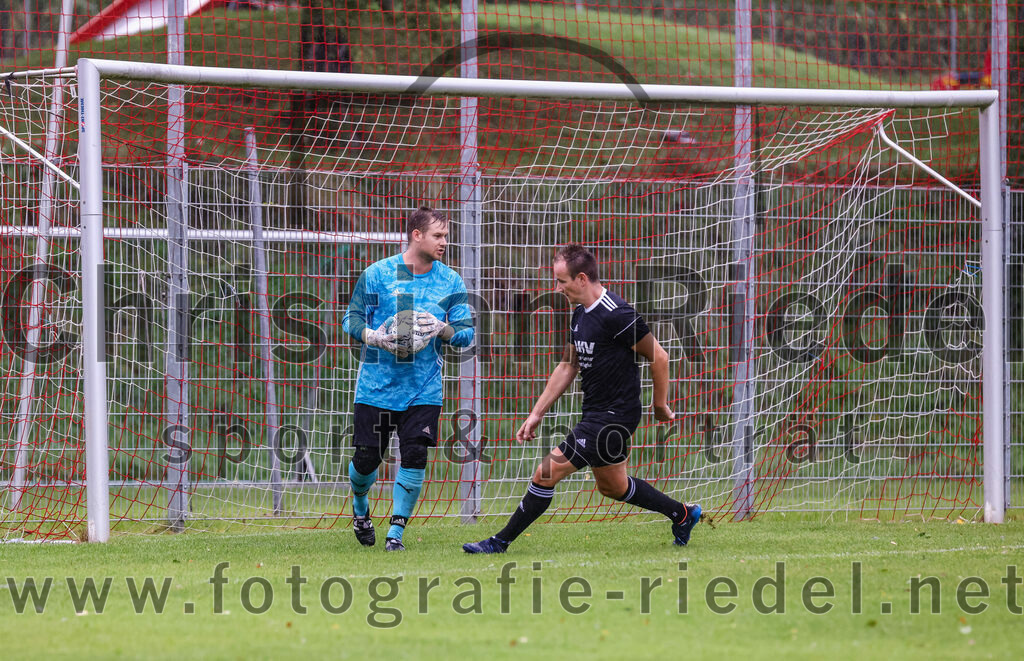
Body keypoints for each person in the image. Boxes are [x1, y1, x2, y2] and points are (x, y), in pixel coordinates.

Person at [463, 243, 701, 554]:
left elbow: (659, 356)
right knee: (613, 487)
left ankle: (499, 542)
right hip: (596, 413)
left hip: (615, 415)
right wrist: (537, 412)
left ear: (582, 279)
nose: (557, 288)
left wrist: (660, 404)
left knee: (546, 472)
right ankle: (682, 514)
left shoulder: (618, 315)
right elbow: (568, 365)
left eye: (561, 281)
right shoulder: (579, 313)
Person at [343, 206, 474, 551]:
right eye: (438, 235)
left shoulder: (451, 281)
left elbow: (465, 333)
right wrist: (375, 338)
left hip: (424, 388)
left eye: (446, 235)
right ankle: (360, 508)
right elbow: (351, 319)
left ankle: (395, 535)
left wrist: (442, 329)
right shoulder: (379, 274)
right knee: (366, 461)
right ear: (417, 235)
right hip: (376, 388)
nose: (445, 241)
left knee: (415, 454)